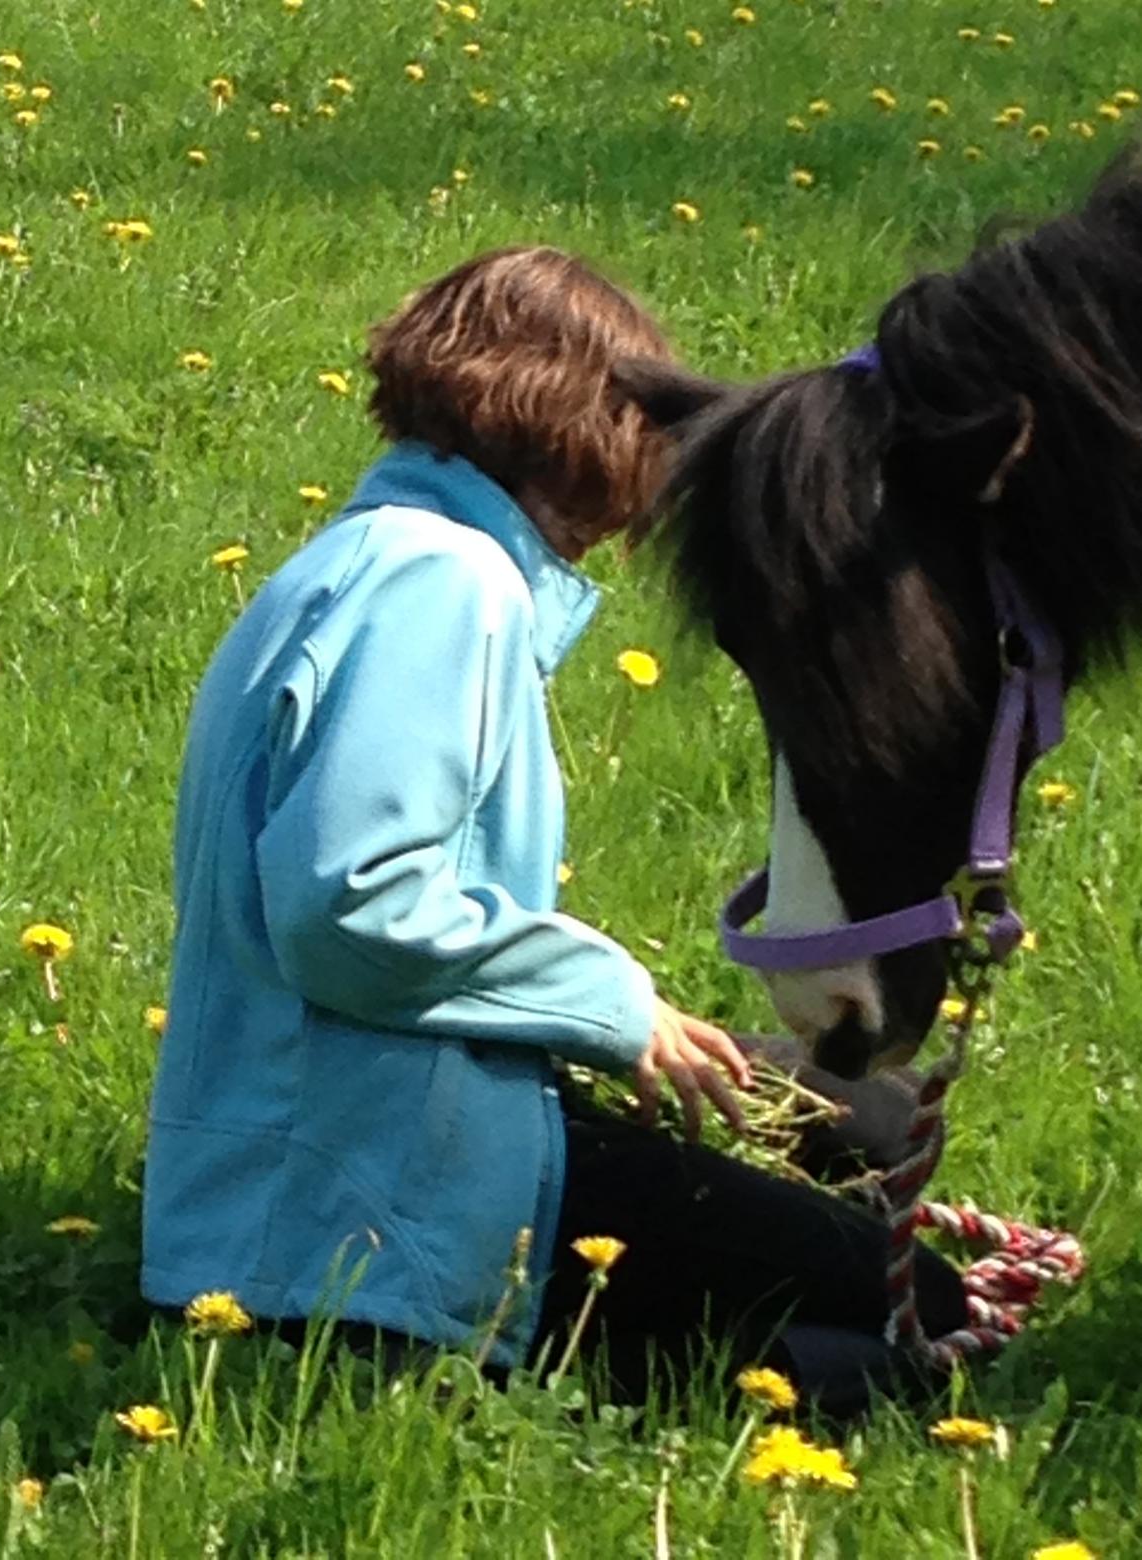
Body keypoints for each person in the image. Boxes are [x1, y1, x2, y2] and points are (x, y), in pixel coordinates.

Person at [142, 245, 965, 1410]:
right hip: (367, 1212)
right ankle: (719, 1412)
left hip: (300, 1182)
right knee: (926, 1313)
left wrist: (630, 1024)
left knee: (867, 1126)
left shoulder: (354, 561)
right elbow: (348, 902)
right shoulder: (450, 584)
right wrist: (608, 1007)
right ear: (584, 425)